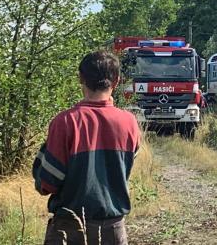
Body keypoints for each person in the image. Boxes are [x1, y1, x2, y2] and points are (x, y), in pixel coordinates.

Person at [33, 50, 141, 245]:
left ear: (80, 78)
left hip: (69, 229)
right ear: (116, 81)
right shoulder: (130, 122)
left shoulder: (64, 122)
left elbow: (47, 184)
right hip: (113, 229)